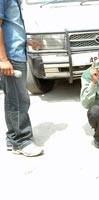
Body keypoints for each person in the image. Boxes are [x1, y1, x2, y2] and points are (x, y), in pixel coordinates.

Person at [0, 0, 44, 157]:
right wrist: (3, 59)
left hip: (15, 52)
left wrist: (26, 41)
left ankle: (13, 138)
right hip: (11, 56)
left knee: (12, 99)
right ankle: (23, 141)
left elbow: (11, 25)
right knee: (20, 100)